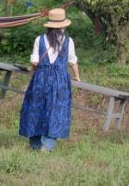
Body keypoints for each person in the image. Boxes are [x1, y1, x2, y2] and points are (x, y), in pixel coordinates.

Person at [19, 8, 80, 151]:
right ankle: (47, 145)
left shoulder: (39, 39)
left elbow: (34, 62)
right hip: (60, 80)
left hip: (40, 78)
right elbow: (72, 61)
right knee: (55, 110)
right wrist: (77, 76)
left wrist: (32, 71)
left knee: (35, 108)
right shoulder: (68, 41)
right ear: (63, 25)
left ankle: (35, 145)